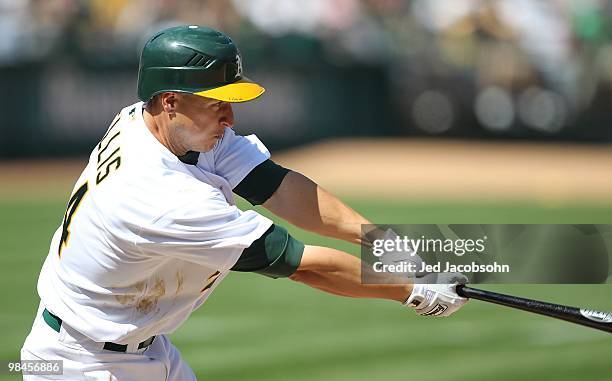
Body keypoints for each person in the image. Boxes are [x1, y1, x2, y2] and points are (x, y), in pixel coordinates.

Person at [21, 25, 467, 380]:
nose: (230, 117)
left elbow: (278, 187)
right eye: (219, 104)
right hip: (79, 364)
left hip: (140, 349)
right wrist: (412, 291)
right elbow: (299, 263)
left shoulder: (157, 124)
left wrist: (380, 240)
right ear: (171, 101)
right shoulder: (160, 196)